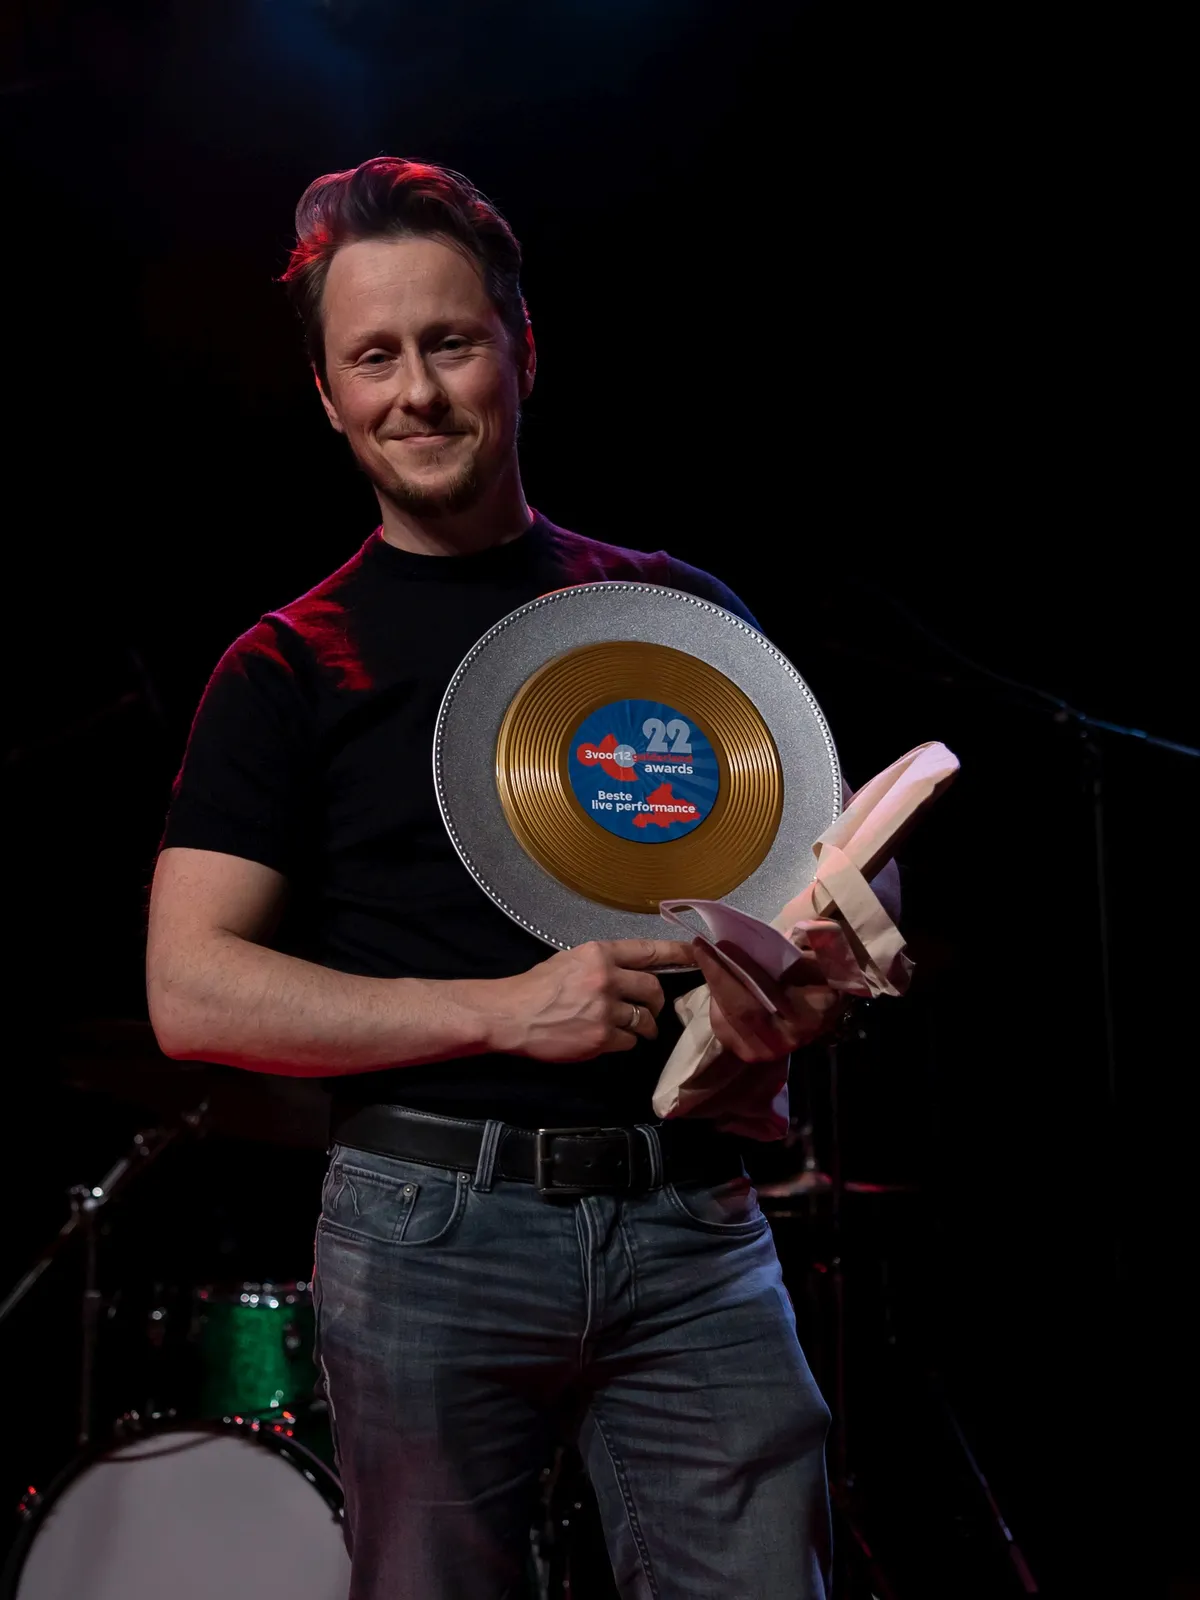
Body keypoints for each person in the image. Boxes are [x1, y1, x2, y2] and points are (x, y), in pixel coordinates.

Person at [147, 156, 867, 1600]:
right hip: (430, 1227)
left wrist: (817, 983)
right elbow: (192, 990)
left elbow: (821, 877)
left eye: (451, 343)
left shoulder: (673, 614)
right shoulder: (285, 666)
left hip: (695, 1219)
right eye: (375, 358)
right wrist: (503, 1011)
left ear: (522, 354)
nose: (417, 392)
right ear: (329, 395)